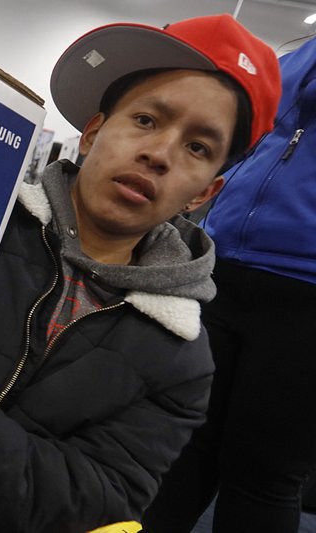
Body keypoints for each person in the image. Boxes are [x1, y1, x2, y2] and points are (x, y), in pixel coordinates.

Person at [0, 14, 281, 532]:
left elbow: (97, 504)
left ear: (204, 192)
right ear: (93, 132)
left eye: (198, 147)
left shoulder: (181, 357)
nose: (159, 154)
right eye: (146, 120)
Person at [142, 34, 316, 533]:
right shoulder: (293, 57)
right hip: (226, 267)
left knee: (263, 473)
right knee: (183, 445)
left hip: (307, 290)